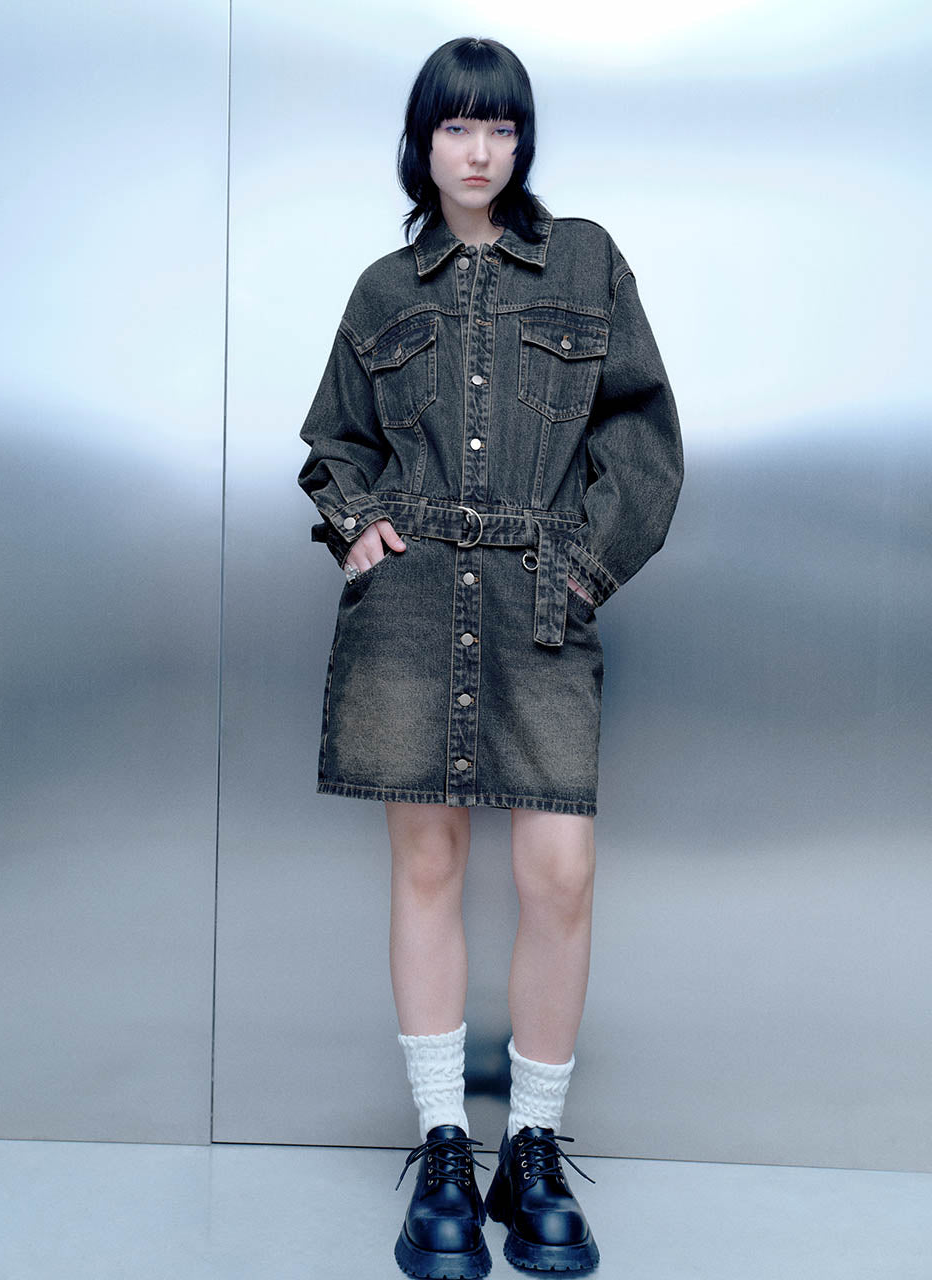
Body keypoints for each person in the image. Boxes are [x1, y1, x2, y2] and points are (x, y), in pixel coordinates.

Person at [297, 35, 682, 1278]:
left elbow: (643, 437)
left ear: (523, 141)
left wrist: (582, 568)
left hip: (538, 599)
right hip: (412, 610)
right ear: (421, 142)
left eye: (500, 126)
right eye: (456, 126)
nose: (478, 149)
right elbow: (333, 439)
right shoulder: (381, 289)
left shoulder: (584, 261)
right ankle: (444, 1149)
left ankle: (533, 1147)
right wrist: (359, 527)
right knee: (428, 862)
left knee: (558, 872)